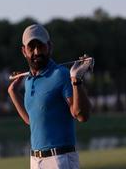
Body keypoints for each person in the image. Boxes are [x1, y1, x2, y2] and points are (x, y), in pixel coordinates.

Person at [8, 24, 92, 169]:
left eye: (40, 46)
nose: (36, 52)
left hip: (59, 159)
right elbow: (32, 120)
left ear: (50, 47)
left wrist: (76, 80)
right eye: (31, 47)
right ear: (23, 51)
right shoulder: (28, 81)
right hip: (36, 161)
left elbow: (81, 115)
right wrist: (13, 93)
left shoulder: (61, 74)